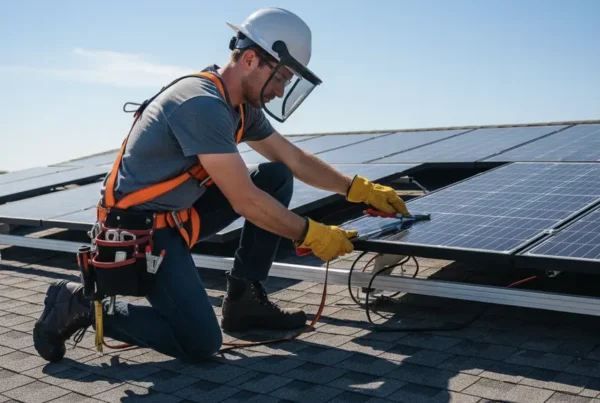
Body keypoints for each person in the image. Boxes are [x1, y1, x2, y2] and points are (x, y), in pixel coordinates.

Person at [32, 7, 410, 363]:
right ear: (249, 60)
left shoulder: (241, 107)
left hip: (178, 217)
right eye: (279, 77)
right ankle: (82, 304)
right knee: (200, 343)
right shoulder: (201, 104)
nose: (280, 91)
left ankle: (245, 301)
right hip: (140, 232)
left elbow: (292, 159)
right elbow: (245, 201)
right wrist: (312, 233)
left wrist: (358, 189)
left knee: (276, 175)